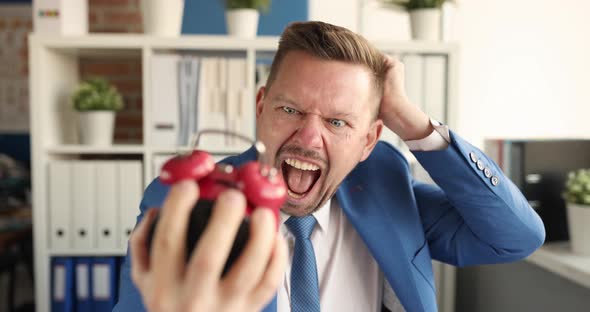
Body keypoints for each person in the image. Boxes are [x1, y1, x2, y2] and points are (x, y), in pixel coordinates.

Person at [114, 21, 545, 312]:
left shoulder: (383, 182)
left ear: (369, 141)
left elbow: (516, 237)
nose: (307, 138)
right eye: (289, 109)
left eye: (338, 122)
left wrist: (415, 125)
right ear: (262, 106)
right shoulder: (190, 198)